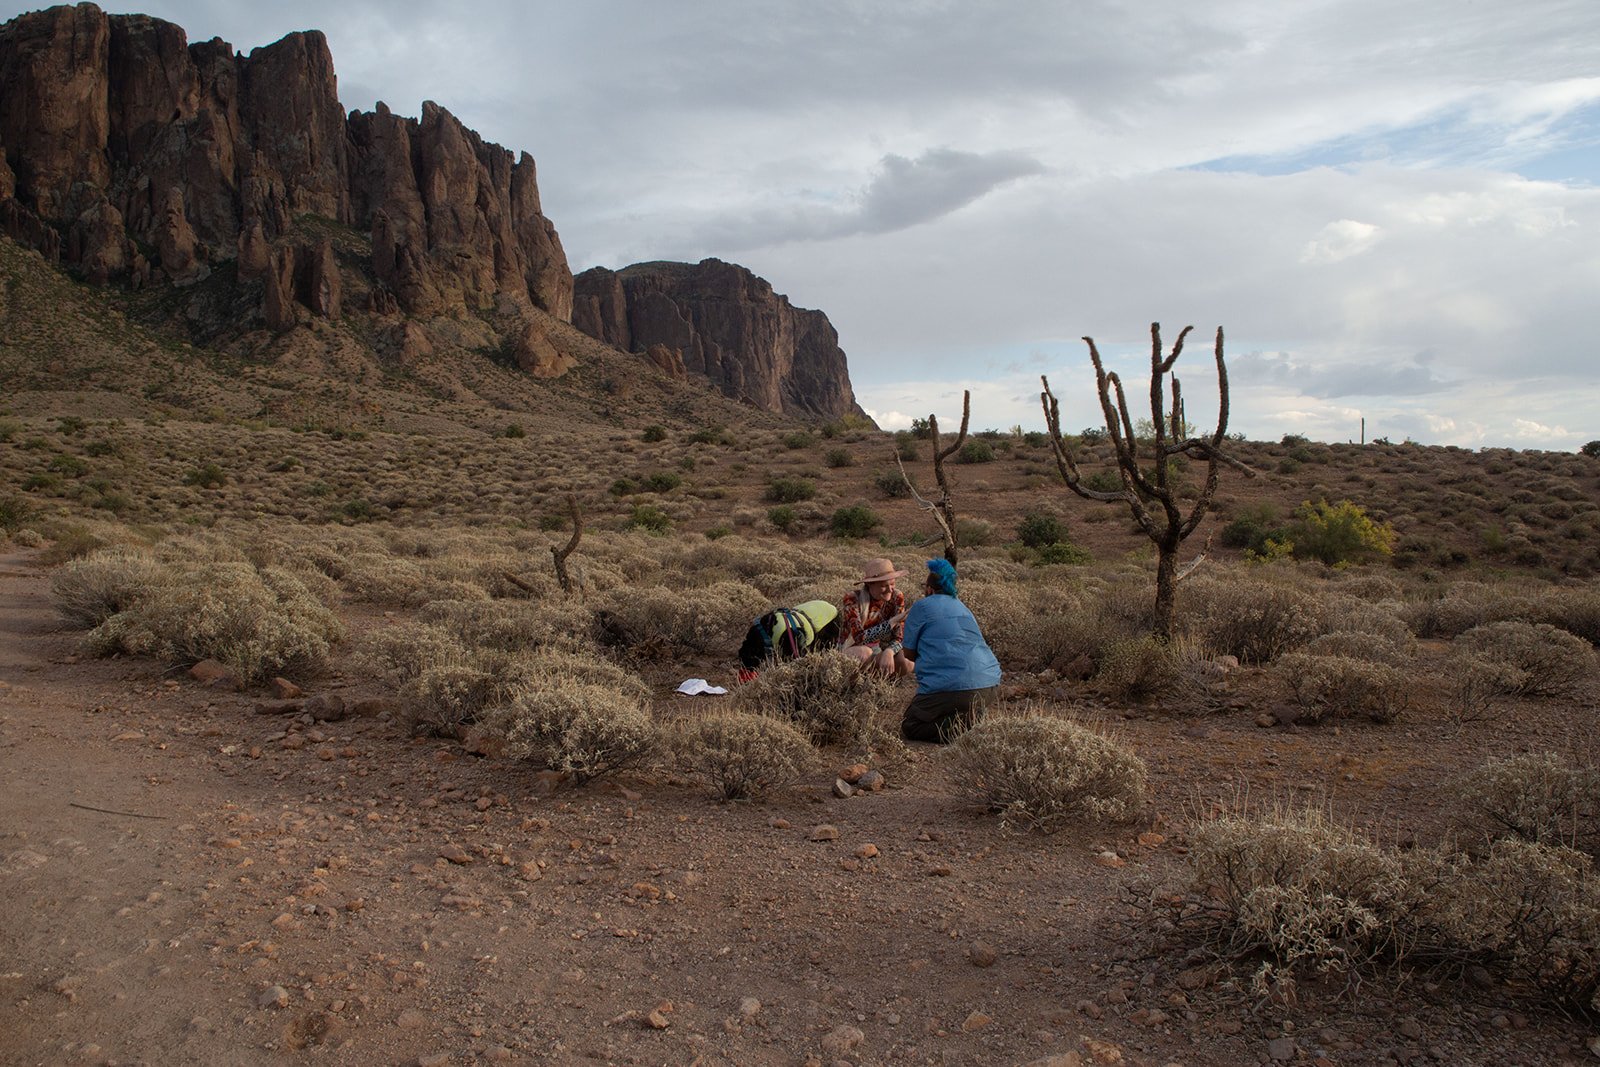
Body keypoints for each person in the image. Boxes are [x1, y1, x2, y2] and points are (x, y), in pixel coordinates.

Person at [899, 559, 1001, 743]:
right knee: (957, 706)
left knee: (911, 724)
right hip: (989, 684)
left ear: (929, 589)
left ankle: (962, 730)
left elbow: (908, 654)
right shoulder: (963, 607)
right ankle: (971, 720)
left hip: (950, 687)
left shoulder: (921, 606)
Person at [838, 557, 914, 677]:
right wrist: (893, 621)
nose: (890, 589)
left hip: (879, 649)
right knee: (865, 653)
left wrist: (889, 651)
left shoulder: (897, 596)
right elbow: (859, 637)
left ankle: (876, 676)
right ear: (869, 585)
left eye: (893, 584)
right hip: (852, 649)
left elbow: (900, 636)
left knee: (907, 662)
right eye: (884, 585)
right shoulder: (853, 599)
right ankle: (861, 681)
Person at [736, 600, 840, 681]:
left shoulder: (789, 641)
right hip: (808, 610)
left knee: (821, 658)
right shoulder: (757, 631)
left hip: (829, 618)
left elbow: (798, 666)